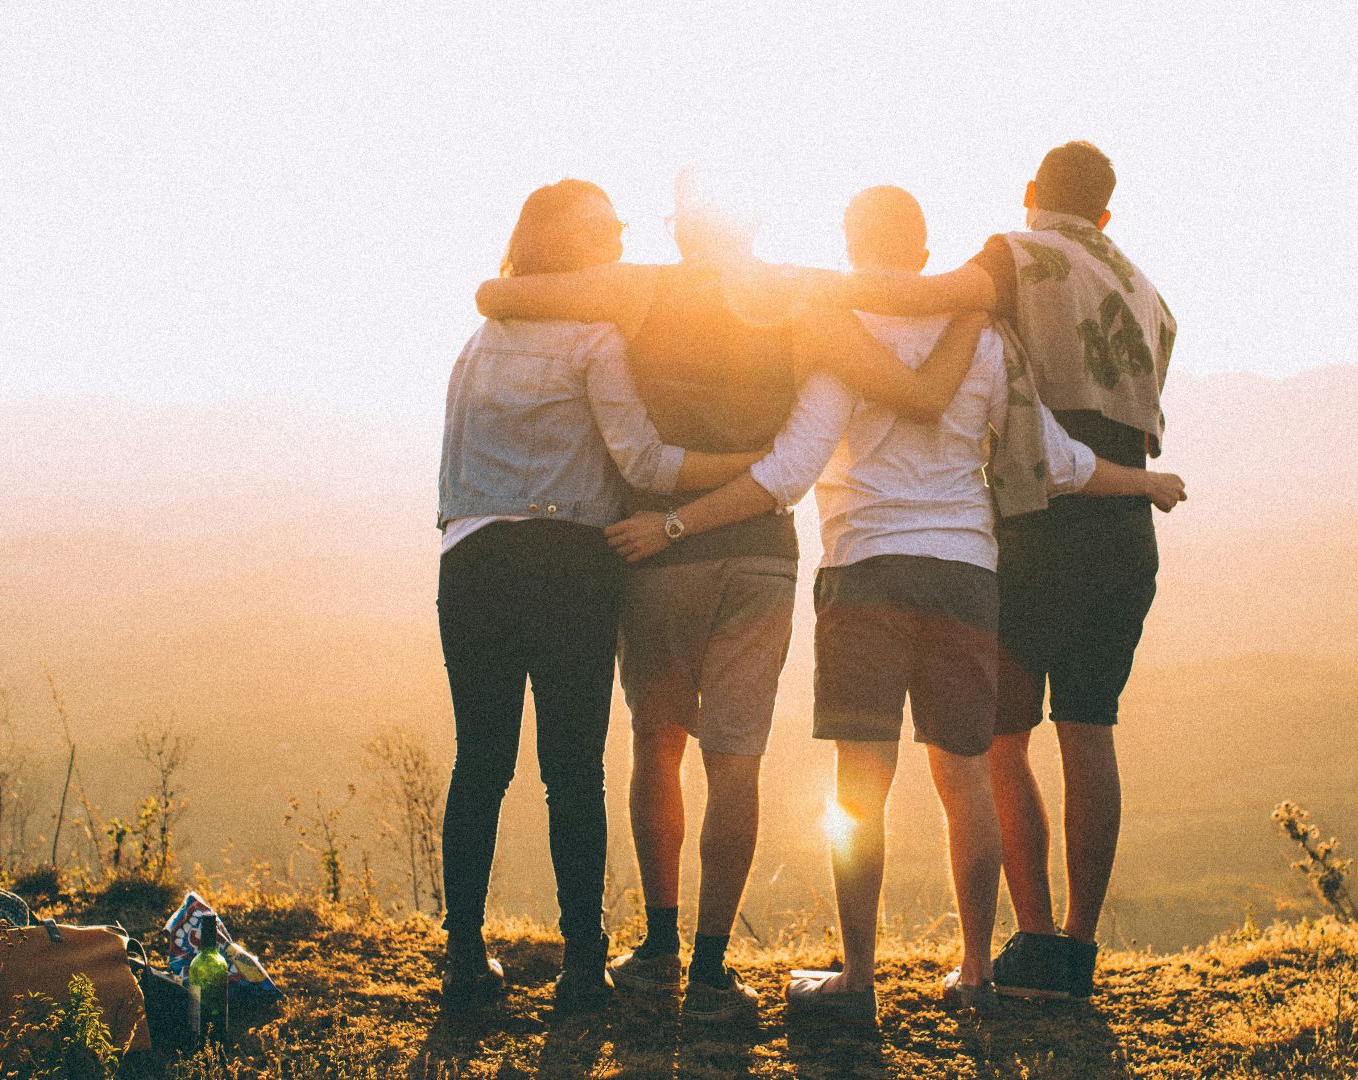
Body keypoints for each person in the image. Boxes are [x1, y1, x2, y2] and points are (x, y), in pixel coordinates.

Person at [646, 186, 1175, 1026]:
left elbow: (788, 472)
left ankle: (857, 981)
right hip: (966, 575)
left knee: (861, 783)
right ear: (927, 255)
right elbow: (1056, 460)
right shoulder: (989, 341)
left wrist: (675, 518)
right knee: (965, 776)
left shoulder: (838, 342)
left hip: (864, 574)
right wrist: (1141, 480)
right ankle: (974, 972)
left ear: (852, 249)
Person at [475, 172, 979, 1022]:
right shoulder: (803, 298)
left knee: (656, 742)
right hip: (760, 557)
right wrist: (975, 306)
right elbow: (913, 386)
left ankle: (659, 944)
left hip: (656, 550)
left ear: (680, 231)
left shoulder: (639, 290)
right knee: (735, 761)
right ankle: (711, 970)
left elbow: (499, 294)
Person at [810, 143, 1182, 1000]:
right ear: (1107, 213)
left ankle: (1031, 940)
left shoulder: (1015, 256)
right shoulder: (1151, 294)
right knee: (1090, 730)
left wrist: (798, 288)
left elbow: (924, 297)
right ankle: (1074, 954)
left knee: (998, 743)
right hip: (1122, 524)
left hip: (1037, 520)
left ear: (1030, 195)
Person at [436, 179, 766, 1012]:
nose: (620, 238)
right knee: (571, 771)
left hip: (471, 560)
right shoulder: (594, 339)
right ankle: (585, 964)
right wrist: (752, 468)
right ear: (570, 245)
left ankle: (464, 959)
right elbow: (646, 466)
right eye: (606, 228)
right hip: (569, 565)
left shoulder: (478, 342)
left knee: (480, 762)